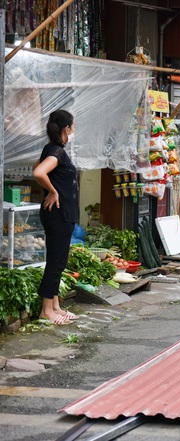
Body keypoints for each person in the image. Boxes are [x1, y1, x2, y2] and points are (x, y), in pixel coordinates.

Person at [33, 109, 79, 326]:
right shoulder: (56, 152)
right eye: (73, 126)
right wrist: (52, 191)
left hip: (62, 214)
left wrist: (52, 188)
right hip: (58, 215)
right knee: (55, 262)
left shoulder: (53, 149)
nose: (74, 130)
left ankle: (56, 306)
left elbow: (37, 167)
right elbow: (38, 173)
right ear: (66, 128)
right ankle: (46, 311)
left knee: (58, 261)